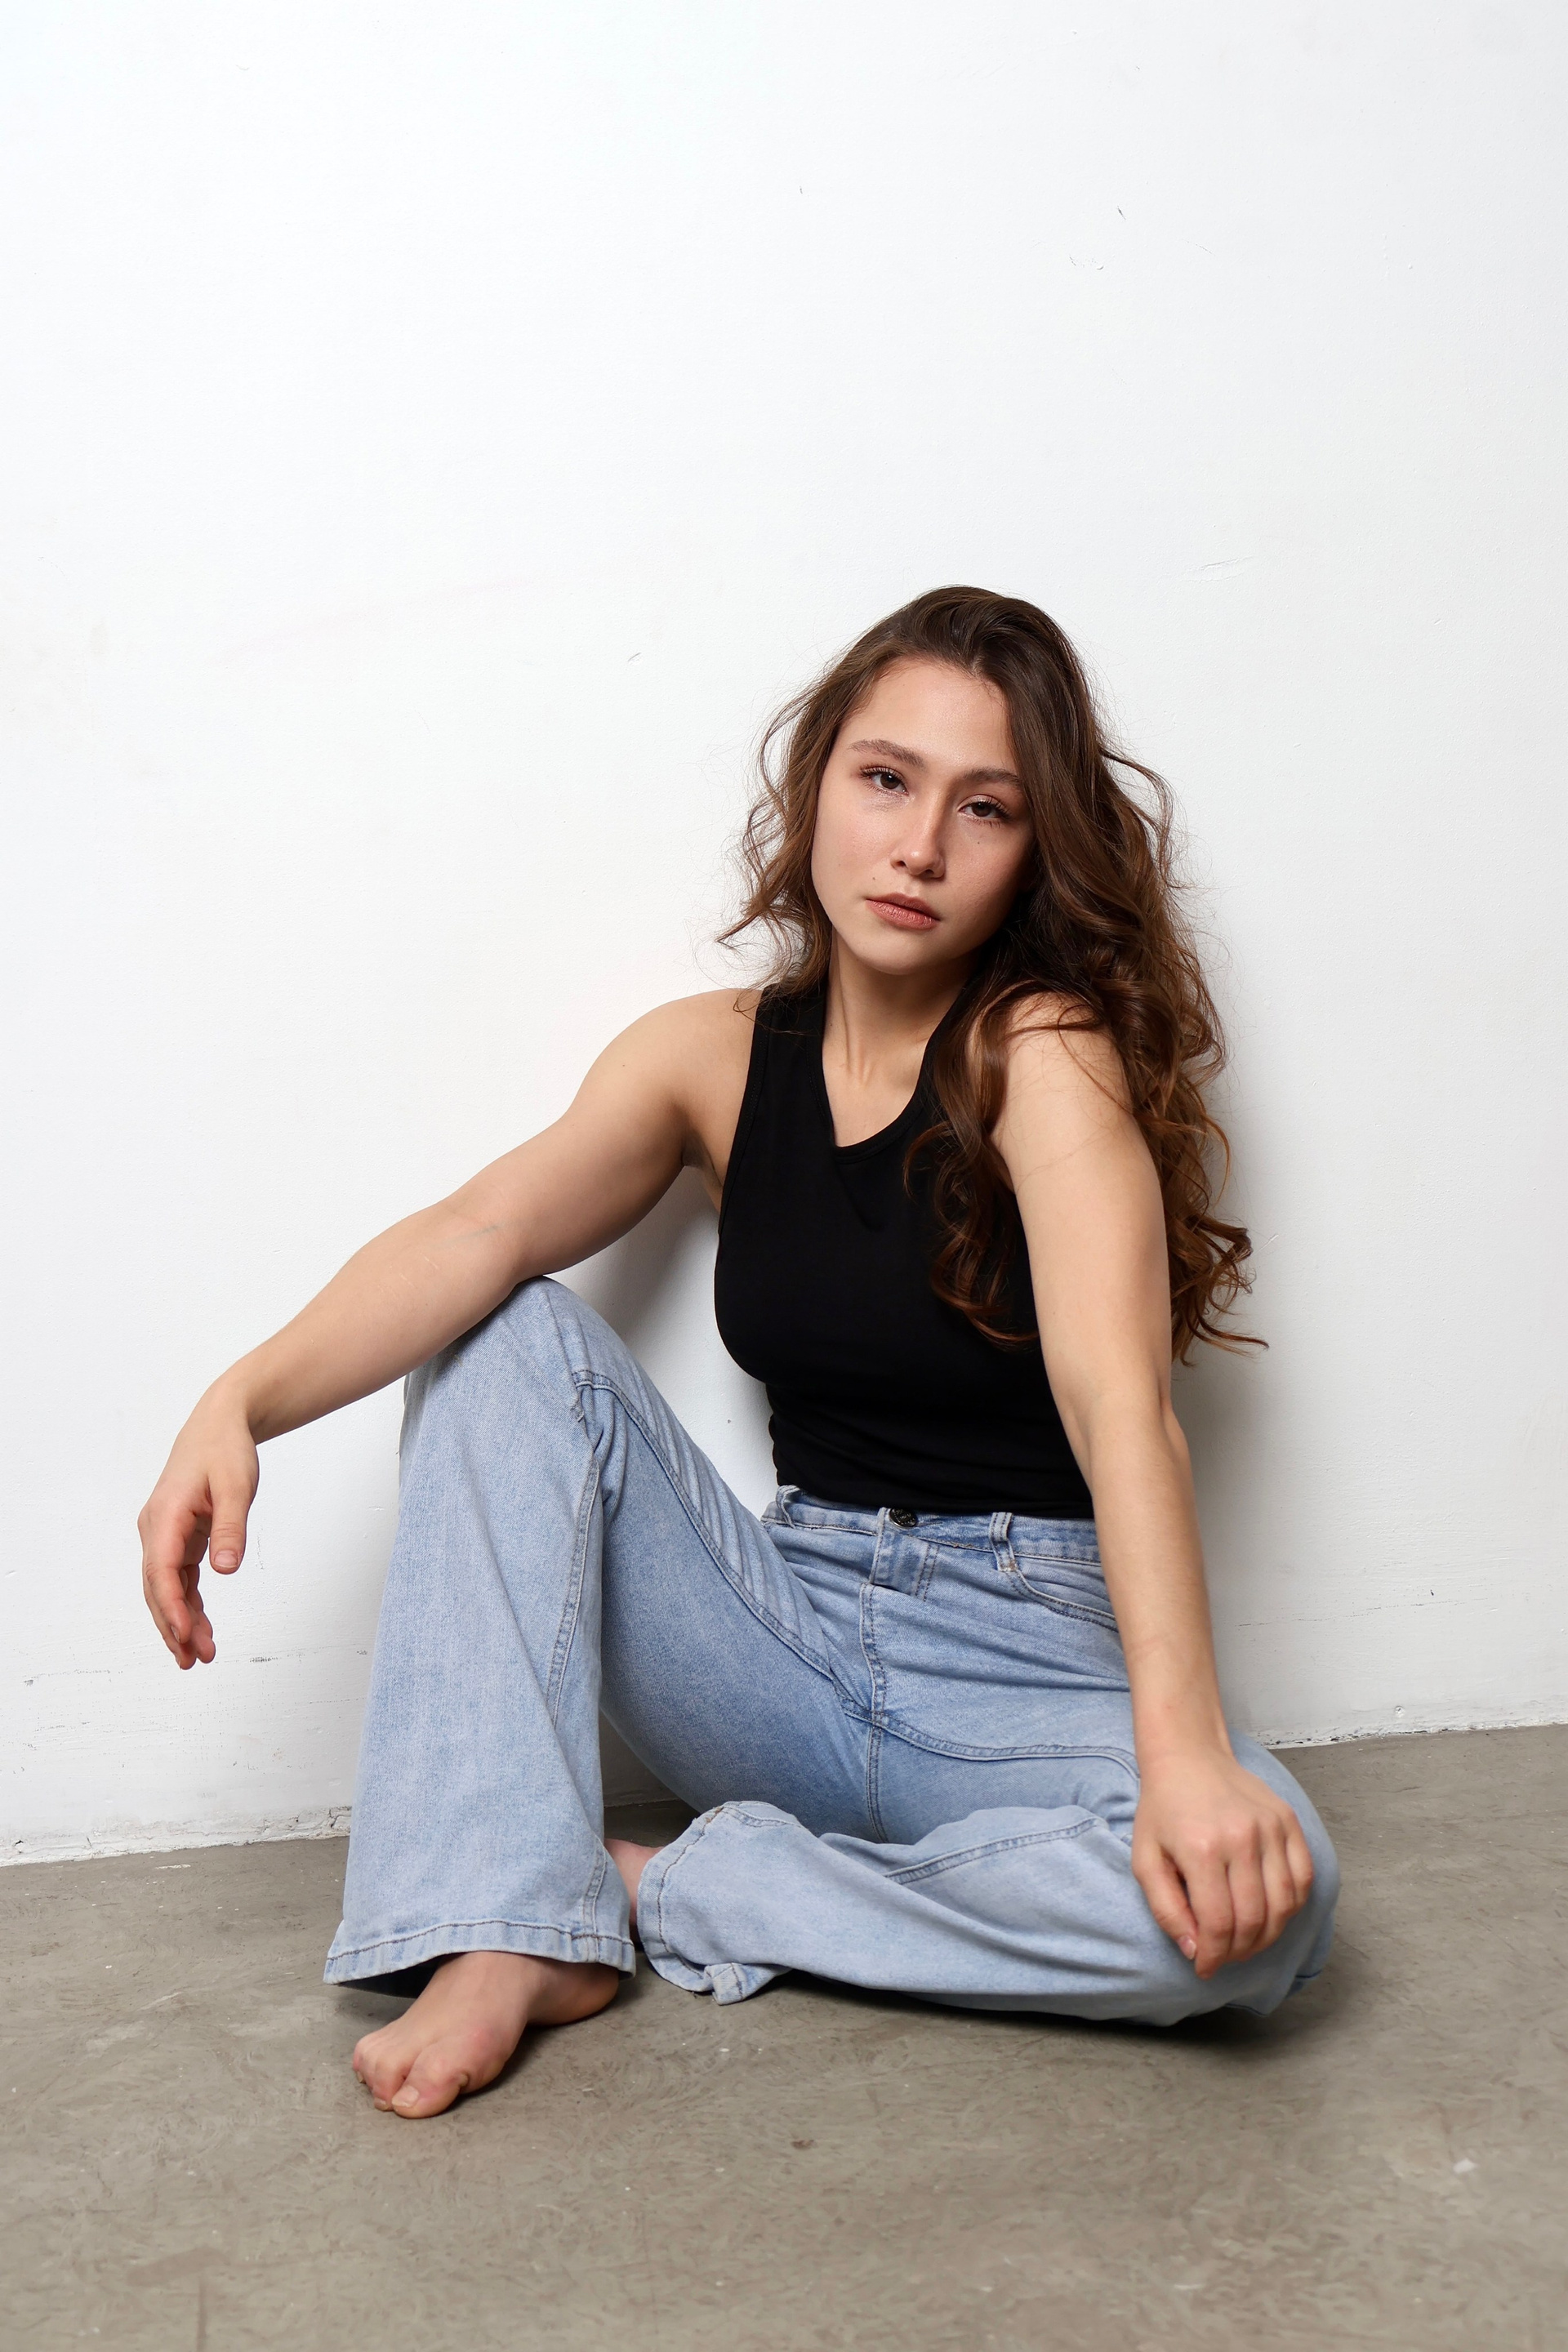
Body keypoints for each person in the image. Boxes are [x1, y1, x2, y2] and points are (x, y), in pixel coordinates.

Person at [139, 587, 1338, 2120]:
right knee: (502, 1331)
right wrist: (238, 1399)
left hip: (1026, 1663)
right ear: (817, 781)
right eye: (887, 780)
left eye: (986, 808)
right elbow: (474, 1232)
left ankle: (651, 1892)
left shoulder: (1043, 1052)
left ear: (1037, 849)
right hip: (783, 1641)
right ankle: (505, 1922)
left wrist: (1184, 1760)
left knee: (1268, 1913)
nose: (919, 848)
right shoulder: (706, 1057)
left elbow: (1121, 1408)